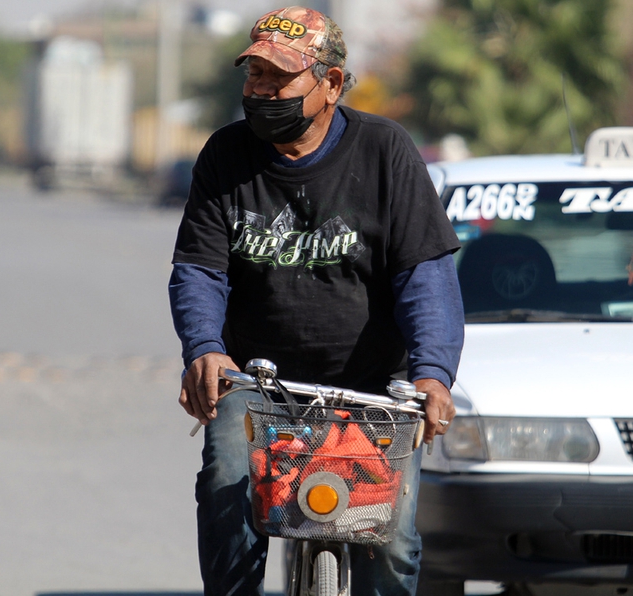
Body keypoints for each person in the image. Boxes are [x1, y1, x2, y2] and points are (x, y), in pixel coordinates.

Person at [167, 6, 464, 596]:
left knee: (394, 543)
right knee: (227, 487)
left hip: (374, 392)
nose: (262, 91)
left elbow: (424, 275)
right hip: (257, 385)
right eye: (254, 77)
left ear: (330, 84)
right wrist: (203, 348)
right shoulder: (225, 156)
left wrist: (433, 374)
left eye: (279, 80)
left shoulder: (386, 151)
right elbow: (199, 270)